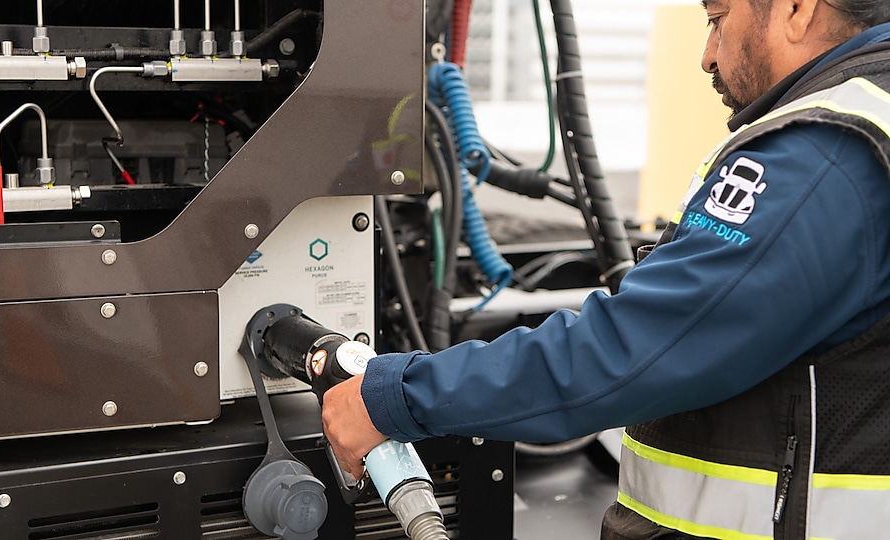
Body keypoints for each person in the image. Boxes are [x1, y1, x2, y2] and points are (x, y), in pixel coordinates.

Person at [323, 0, 890, 537]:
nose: (708, 56)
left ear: (795, 8)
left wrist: (395, 397)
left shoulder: (824, 151)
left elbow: (642, 345)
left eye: (718, 19)